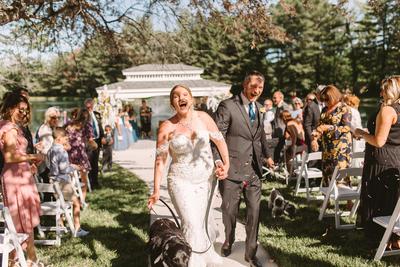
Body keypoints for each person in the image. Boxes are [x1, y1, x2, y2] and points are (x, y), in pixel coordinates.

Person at [147, 84, 230, 267]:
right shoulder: (166, 127)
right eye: (176, 96)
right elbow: (160, 161)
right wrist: (156, 190)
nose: (181, 97)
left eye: (185, 94)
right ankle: (191, 262)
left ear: (191, 99)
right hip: (180, 182)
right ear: (172, 104)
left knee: (202, 224)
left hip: (205, 181)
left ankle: (205, 256)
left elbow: (220, 141)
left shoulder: (204, 118)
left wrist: (226, 164)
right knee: (191, 224)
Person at [214, 71, 274, 267]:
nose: (257, 91)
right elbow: (216, 137)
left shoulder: (258, 108)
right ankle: (229, 239)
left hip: (254, 171)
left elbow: (260, 135)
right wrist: (219, 162)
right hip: (231, 171)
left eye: (260, 88)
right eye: (253, 87)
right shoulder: (228, 106)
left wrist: (268, 155)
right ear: (244, 85)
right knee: (229, 212)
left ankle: (250, 253)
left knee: (254, 213)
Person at [0, 92, 45, 267]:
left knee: (21, 217)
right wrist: (34, 156)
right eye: (21, 109)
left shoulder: (6, 125)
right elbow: (10, 157)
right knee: (19, 219)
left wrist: (28, 160)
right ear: (11, 108)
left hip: (20, 175)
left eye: (26, 110)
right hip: (15, 179)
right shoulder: (9, 128)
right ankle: (16, 261)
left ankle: (27, 258)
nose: (24, 113)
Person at [355, 76, 400, 249]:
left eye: (382, 89)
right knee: (390, 199)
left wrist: (361, 133)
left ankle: (379, 240)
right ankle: (393, 239)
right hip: (396, 158)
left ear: (389, 90)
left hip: (380, 158)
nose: (380, 92)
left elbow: (379, 141)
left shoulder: (388, 111)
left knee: (377, 199)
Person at [48, 127, 89, 237]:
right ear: (59, 139)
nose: (67, 141)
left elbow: (52, 166)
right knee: (76, 202)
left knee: (60, 204)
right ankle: (77, 228)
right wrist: (74, 168)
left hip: (53, 181)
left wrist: (71, 165)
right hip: (62, 182)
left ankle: (61, 226)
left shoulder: (50, 149)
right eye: (65, 139)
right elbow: (64, 169)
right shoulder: (61, 151)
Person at [311, 85, 352, 187]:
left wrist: (329, 127)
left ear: (333, 96)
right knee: (326, 172)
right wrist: (315, 138)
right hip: (326, 147)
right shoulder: (324, 109)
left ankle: (348, 200)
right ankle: (327, 201)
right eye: (323, 100)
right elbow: (320, 126)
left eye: (327, 100)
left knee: (341, 174)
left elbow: (347, 128)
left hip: (340, 148)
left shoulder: (344, 108)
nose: (325, 102)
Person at [65, 108, 93, 200]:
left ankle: (71, 199)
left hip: (69, 154)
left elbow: (60, 134)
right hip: (80, 154)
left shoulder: (69, 124)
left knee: (70, 178)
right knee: (83, 179)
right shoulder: (87, 125)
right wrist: (95, 146)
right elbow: (91, 141)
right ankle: (82, 200)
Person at [85, 98, 104, 189]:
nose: (90, 106)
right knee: (89, 162)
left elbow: (100, 126)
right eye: (88, 105)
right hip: (89, 141)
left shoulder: (97, 114)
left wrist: (103, 136)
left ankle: (95, 182)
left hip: (97, 140)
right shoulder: (83, 115)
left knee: (95, 162)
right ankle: (89, 182)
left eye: (91, 104)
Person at [281, 110, 306, 175]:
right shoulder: (296, 121)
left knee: (286, 156)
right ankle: (295, 173)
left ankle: (291, 175)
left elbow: (294, 135)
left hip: (298, 145)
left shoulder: (289, 123)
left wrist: (292, 146)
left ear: (283, 118)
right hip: (303, 145)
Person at [343, 94, 365, 167]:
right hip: (355, 135)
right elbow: (355, 126)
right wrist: (362, 132)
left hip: (349, 134)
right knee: (355, 153)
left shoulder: (344, 110)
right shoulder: (354, 111)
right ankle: (355, 170)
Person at [272, 90, 292, 162]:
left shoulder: (285, 107)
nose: (273, 99)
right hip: (278, 134)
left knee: (279, 153)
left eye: (275, 98)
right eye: (273, 98)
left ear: (281, 98)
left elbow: (290, 120)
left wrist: (287, 132)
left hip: (283, 134)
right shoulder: (278, 106)